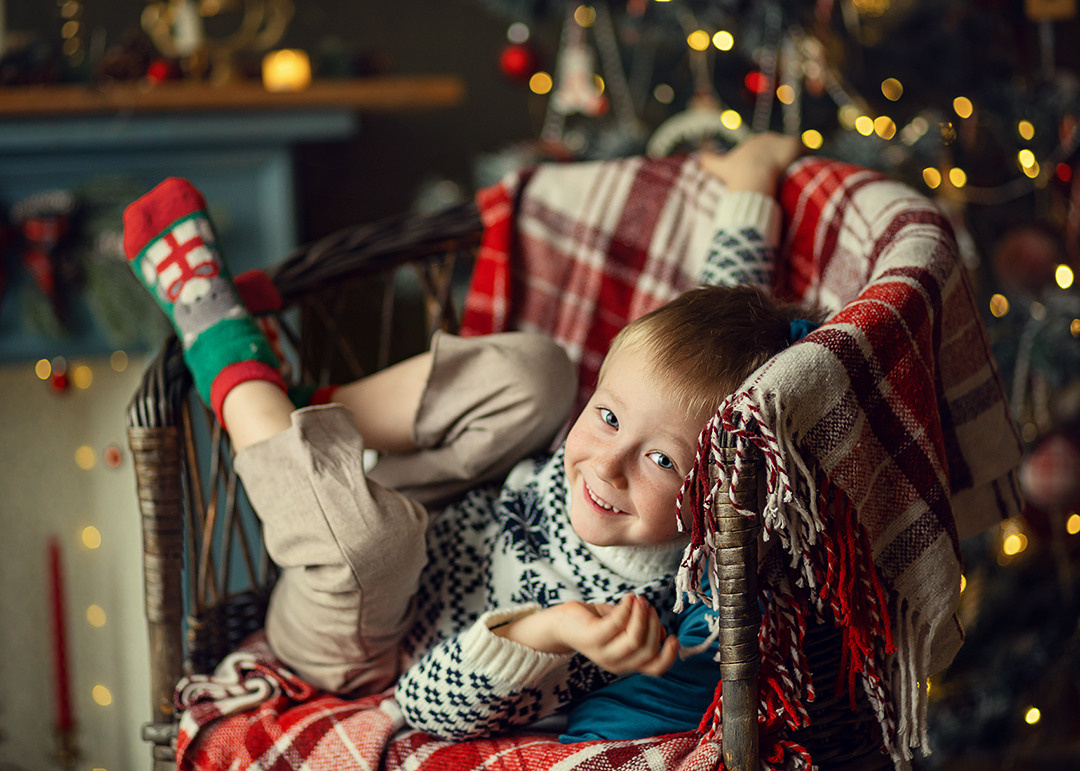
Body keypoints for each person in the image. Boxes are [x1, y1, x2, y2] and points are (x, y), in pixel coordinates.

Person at [121, 133, 811, 741]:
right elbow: (712, 322)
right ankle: (299, 413)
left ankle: (225, 350)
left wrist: (551, 630)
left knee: (376, 546)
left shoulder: (642, 612)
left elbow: (424, 704)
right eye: (606, 416)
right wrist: (751, 182)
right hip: (424, 513)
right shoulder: (649, 429)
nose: (609, 462)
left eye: (661, 459)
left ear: (722, 480)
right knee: (539, 371)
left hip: (359, 645)